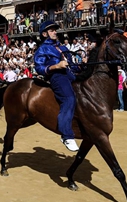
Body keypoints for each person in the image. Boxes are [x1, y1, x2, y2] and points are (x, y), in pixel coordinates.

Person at [34, 21, 81, 152]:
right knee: (69, 99)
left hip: (69, 74)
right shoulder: (43, 48)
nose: (55, 32)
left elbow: (71, 64)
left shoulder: (63, 47)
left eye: (55, 30)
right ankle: (66, 135)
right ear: (44, 34)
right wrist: (56, 66)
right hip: (57, 76)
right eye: (51, 30)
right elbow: (39, 68)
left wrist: (80, 66)